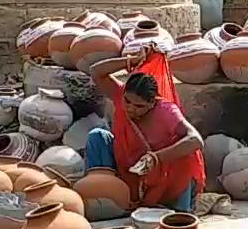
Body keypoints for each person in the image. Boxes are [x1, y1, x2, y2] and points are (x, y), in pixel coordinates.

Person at [86, 45, 206, 212]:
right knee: (97, 136)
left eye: (139, 106)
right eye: (127, 102)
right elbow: (95, 71)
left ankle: (176, 207)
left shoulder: (166, 111)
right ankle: (103, 193)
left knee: (186, 156)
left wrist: (155, 158)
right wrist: (130, 60)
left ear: (152, 102)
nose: (130, 108)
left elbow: (195, 140)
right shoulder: (120, 93)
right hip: (126, 167)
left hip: (158, 175)